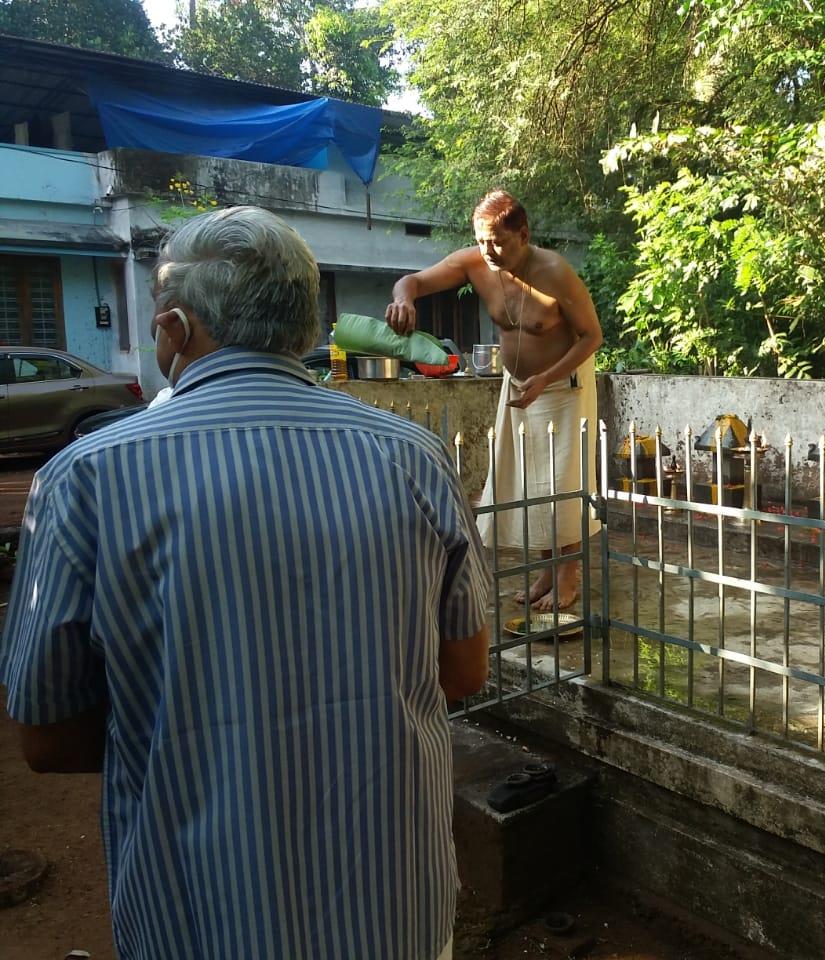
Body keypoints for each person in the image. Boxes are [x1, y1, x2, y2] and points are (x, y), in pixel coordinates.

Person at [1, 206, 489, 960]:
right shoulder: (413, 457)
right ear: (302, 328)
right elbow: (463, 671)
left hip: (197, 918)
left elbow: (47, 735)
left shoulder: (86, 478)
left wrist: (206, 725)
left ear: (173, 329)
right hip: (396, 909)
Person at [386, 189, 603, 611]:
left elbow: (592, 336)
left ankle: (568, 576)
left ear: (523, 235)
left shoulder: (555, 272)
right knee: (530, 477)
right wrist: (403, 299)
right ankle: (547, 570)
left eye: (498, 242)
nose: (488, 251)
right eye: (481, 241)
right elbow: (412, 282)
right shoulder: (475, 263)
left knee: (562, 480)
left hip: (562, 385)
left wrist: (546, 378)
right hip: (518, 382)